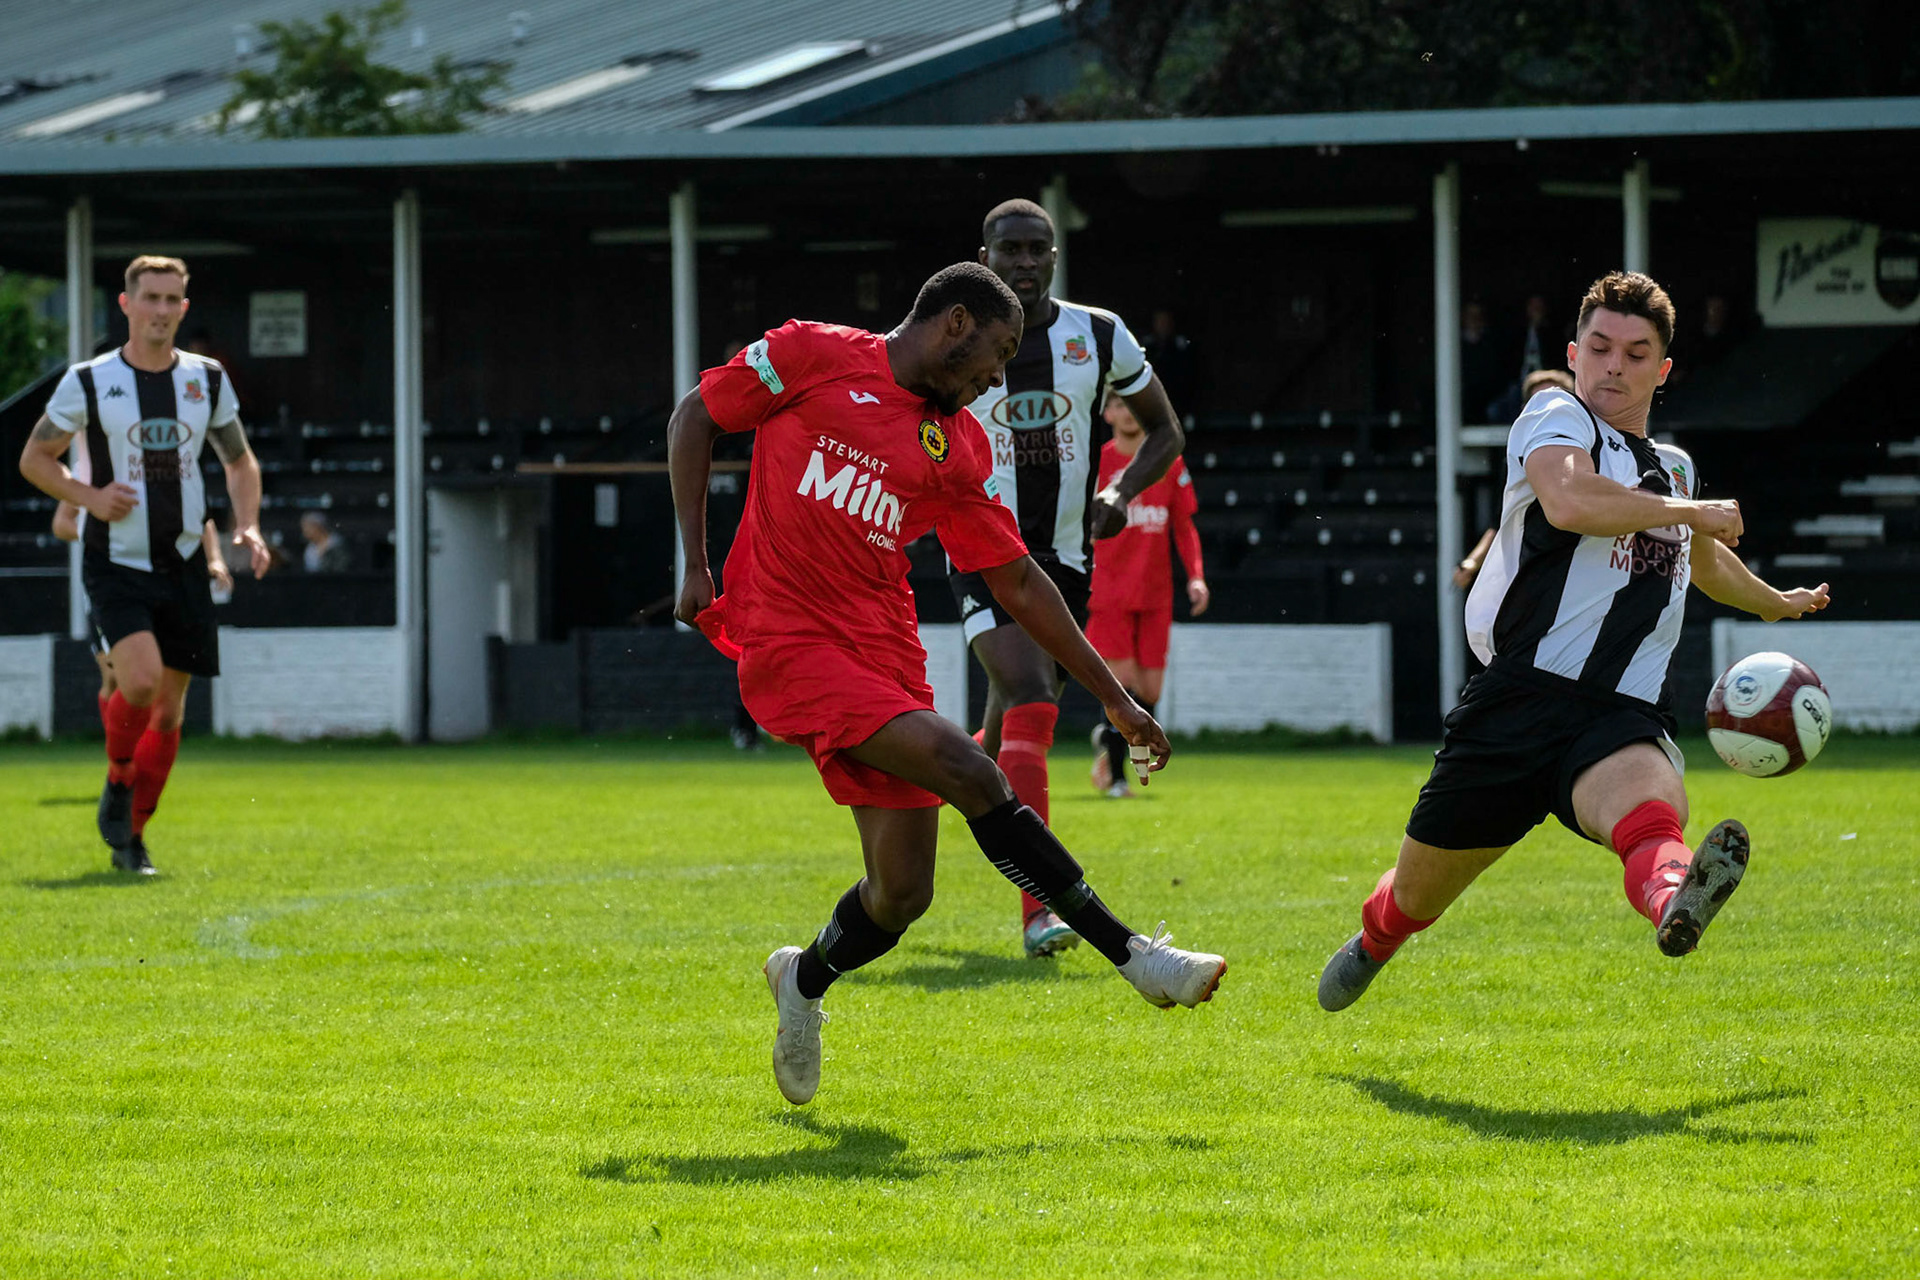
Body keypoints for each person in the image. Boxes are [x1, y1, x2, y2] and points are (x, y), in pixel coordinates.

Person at [669, 262, 1227, 1106]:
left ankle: (804, 980)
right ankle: (1136, 955)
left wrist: (1112, 695)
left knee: (900, 895)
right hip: (790, 639)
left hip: (883, 647)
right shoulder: (809, 354)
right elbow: (694, 417)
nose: (999, 377)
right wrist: (698, 561)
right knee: (975, 770)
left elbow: (1020, 582)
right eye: (998, 354)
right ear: (954, 325)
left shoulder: (957, 443)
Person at [1318, 270, 1831, 1012]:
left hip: (1620, 711)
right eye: (1600, 348)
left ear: (1663, 370)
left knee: (1651, 813)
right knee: (1420, 894)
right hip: (1514, 703)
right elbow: (1569, 501)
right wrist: (1692, 509)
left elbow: (1707, 563)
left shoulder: (1673, 467)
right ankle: (1377, 938)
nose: (1614, 366)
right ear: (1575, 352)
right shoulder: (1555, 416)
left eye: (1634, 353)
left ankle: (1672, 904)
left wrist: (1774, 604)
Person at [952, 197, 1190, 958]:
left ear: (1054, 257)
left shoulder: (1099, 333)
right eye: (1010, 249)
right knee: (1029, 696)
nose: (1024, 262)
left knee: (1008, 722)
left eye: (1037, 250)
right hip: (977, 545)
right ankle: (1040, 911)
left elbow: (1167, 429)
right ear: (984, 255)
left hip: (1065, 557)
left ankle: (936, 766)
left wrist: (1119, 493)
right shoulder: (956, 334)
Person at [18, 255, 272, 875]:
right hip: (117, 560)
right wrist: (91, 498)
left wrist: (249, 524)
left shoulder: (205, 380)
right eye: (150, 298)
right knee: (137, 682)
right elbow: (35, 459)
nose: (161, 310)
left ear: (184, 309)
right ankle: (118, 774)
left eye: (172, 300)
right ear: (126, 306)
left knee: (169, 711)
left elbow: (238, 461)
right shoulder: (87, 380)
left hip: (184, 559)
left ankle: (131, 841)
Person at [1085, 392, 1209, 798]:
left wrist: (1196, 577)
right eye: (1119, 405)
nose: (1127, 412)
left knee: (1151, 691)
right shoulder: (1097, 463)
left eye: (1133, 404)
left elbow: (1184, 525)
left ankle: (1107, 740)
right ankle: (1119, 779)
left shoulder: (1167, 461)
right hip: (1109, 592)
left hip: (1155, 593)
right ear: (1107, 413)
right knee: (1123, 685)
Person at [54, 503, 232, 729]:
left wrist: (215, 558)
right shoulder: (94, 469)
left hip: (169, 582)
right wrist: (106, 529)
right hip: (114, 584)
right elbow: (61, 523)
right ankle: (120, 754)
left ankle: (141, 756)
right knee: (117, 678)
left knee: (164, 701)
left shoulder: (172, 470)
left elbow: (199, 516)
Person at [1455, 369, 1575, 589]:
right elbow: (1500, 521)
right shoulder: (1516, 461)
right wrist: (1472, 562)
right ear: (1524, 411)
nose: (1547, 410)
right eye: (1538, 403)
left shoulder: (1594, 453)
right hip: (1533, 574)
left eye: (1556, 402)